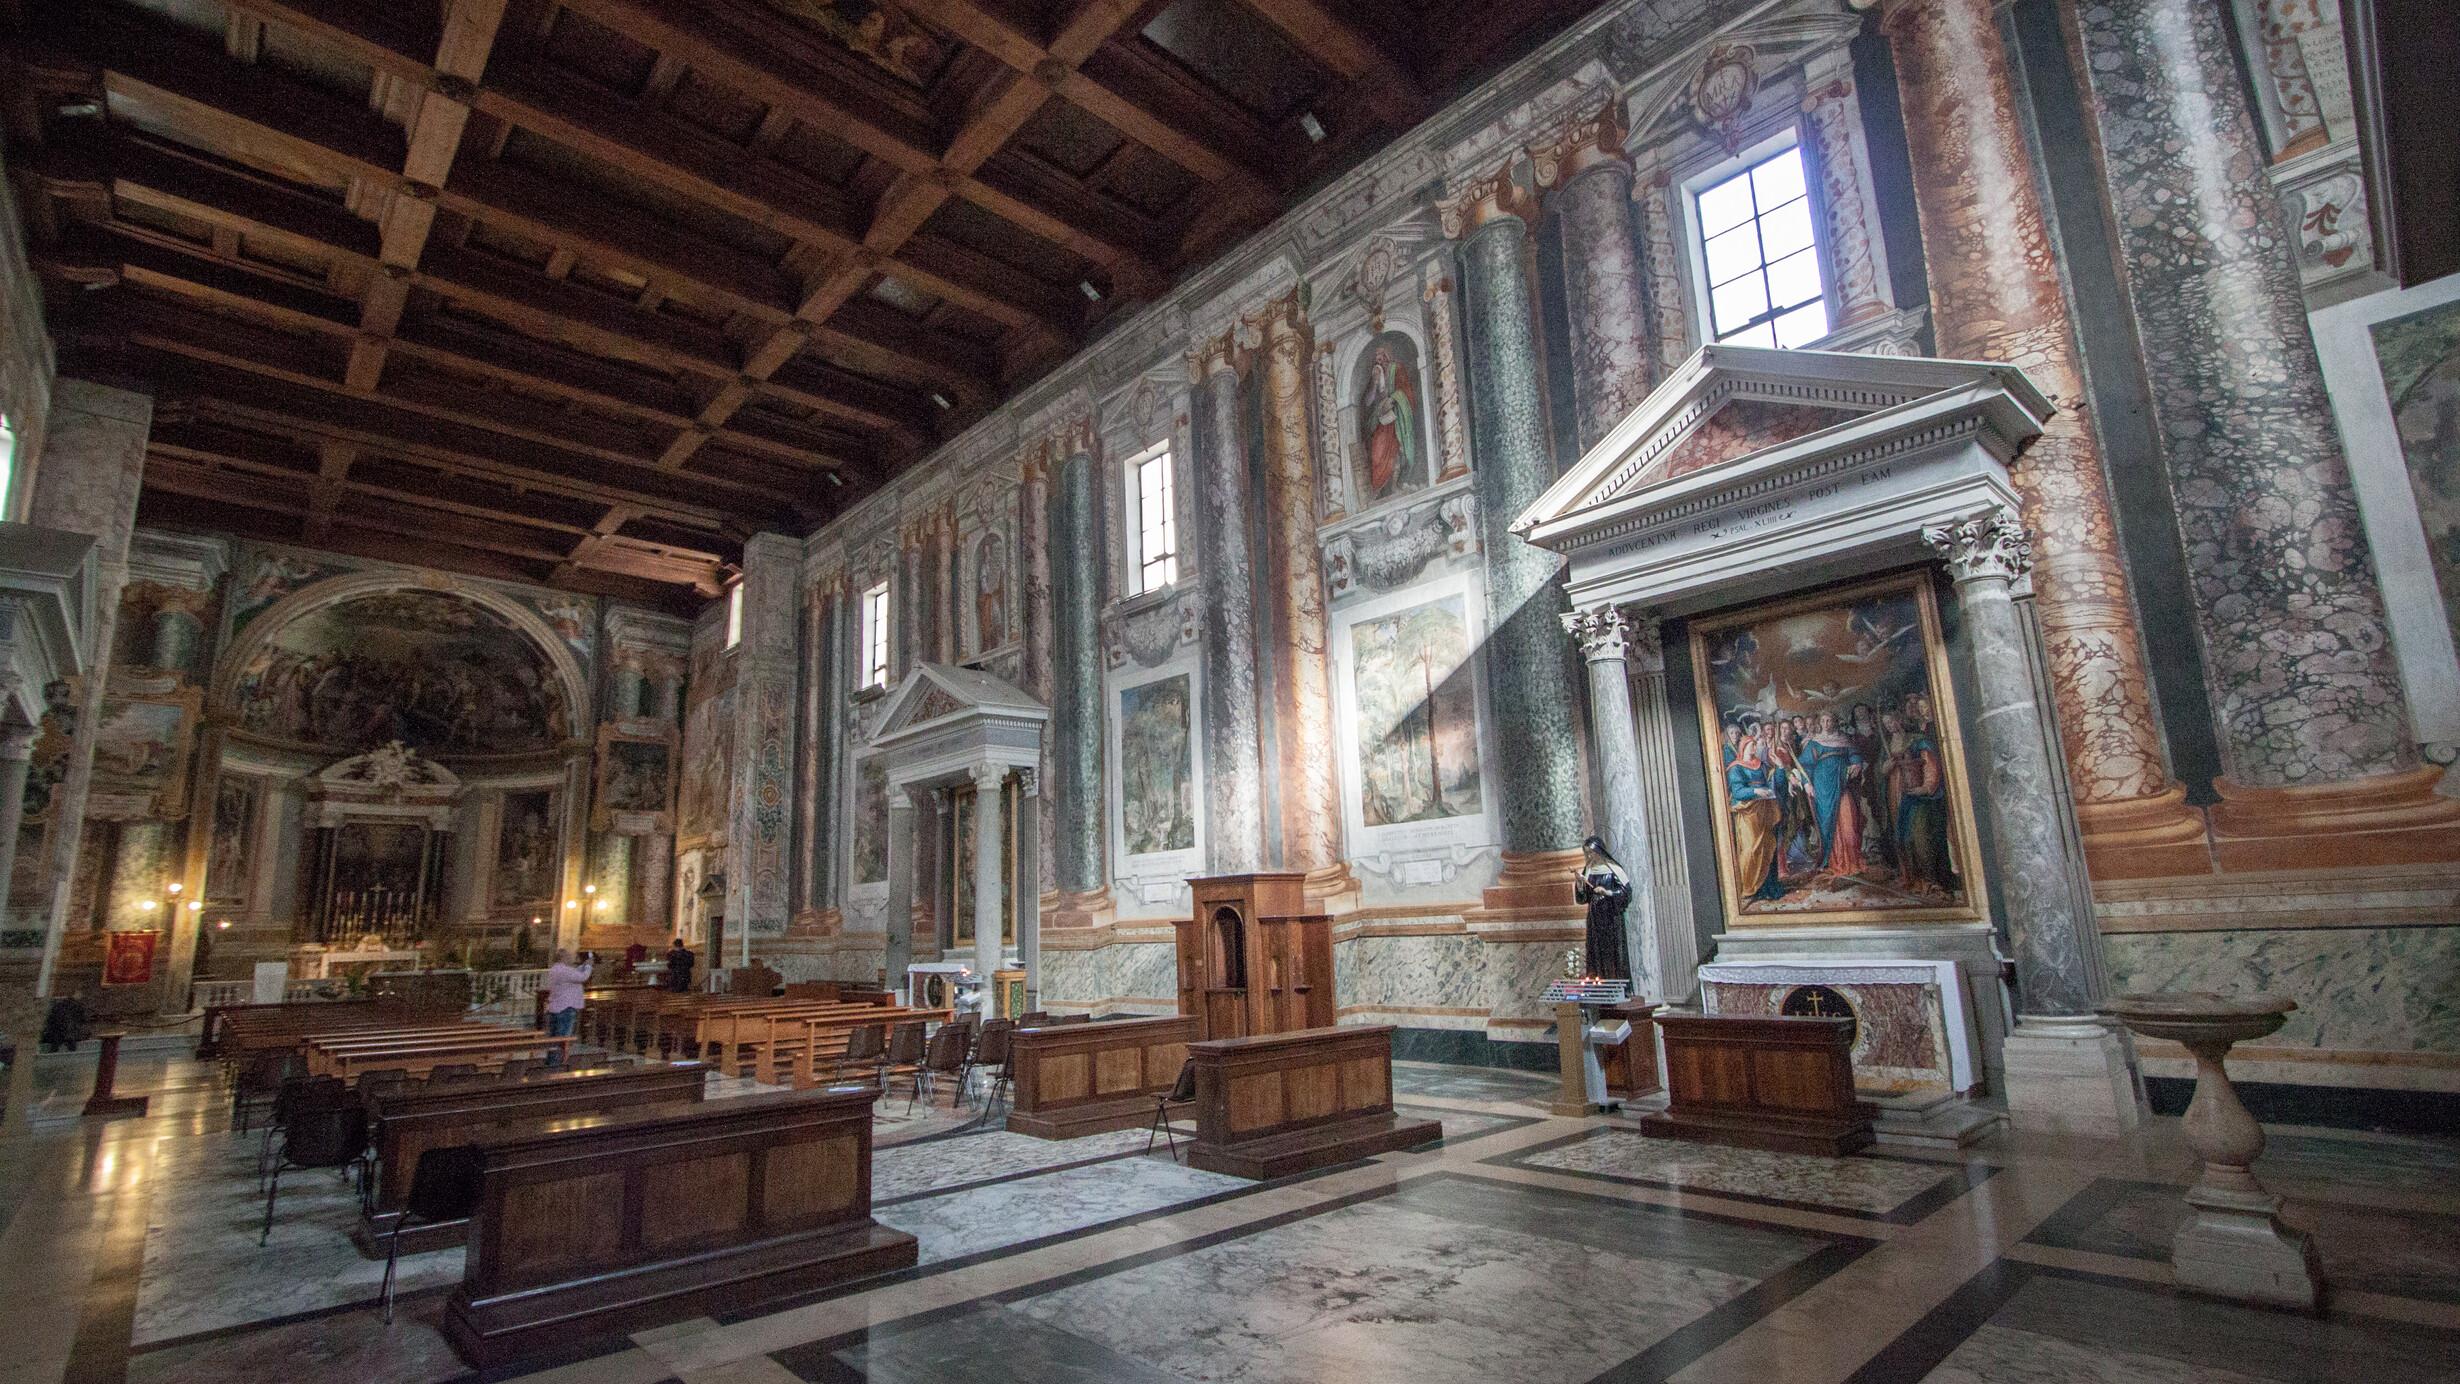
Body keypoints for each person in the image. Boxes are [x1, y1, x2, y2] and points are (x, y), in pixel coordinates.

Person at [1572, 836, 1633, 981]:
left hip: (1611, 919)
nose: (1589, 856)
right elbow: (1583, 898)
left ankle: (1616, 984)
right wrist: (1580, 886)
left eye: (1592, 852)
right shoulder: (1589, 870)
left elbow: (1626, 894)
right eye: (1587, 853)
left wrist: (1608, 893)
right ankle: (1598, 984)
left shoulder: (1614, 869)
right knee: (1596, 952)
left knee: (1612, 953)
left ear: (1600, 851)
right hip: (1594, 918)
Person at [541, 948, 593, 1065]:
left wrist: (582, 967)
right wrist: (588, 966)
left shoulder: (555, 969)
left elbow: (574, 973)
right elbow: (582, 977)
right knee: (563, 1039)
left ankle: (551, 1063)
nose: (571, 959)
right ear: (564, 958)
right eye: (569, 956)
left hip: (554, 1008)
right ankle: (557, 1065)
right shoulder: (565, 971)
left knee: (553, 1040)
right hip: (565, 1009)